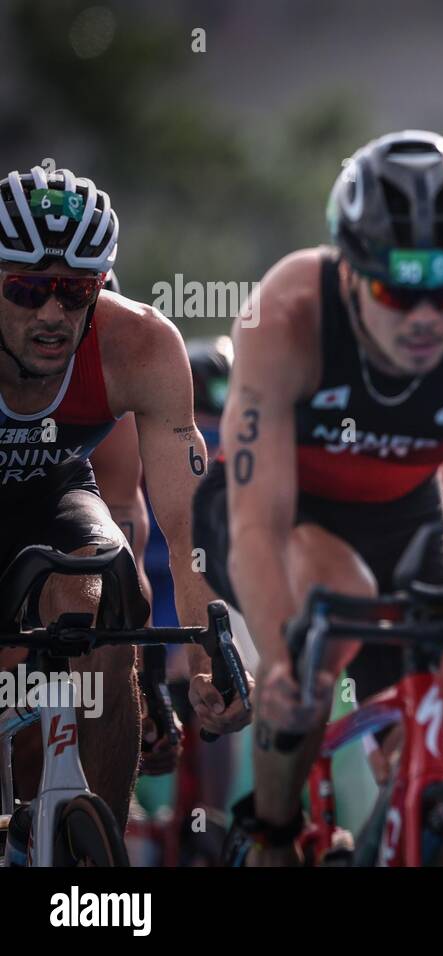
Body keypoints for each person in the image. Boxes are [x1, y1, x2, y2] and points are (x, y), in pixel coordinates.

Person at [191, 130, 443, 865]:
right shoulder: (289, 311)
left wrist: (439, 713)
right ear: (351, 271)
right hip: (287, 510)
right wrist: (288, 664)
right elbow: (257, 525)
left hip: (403, 516)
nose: (424, 318)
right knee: (324, 626)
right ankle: (272, 833)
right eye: (397, 290)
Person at [0, 166, 250, 831]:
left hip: (52, 493)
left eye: (75, 290)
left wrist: (204, 654)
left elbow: (180, 527)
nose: (52, 313)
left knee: (107, 596)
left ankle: (98, 862)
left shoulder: (138, 344)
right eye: (27, 289)